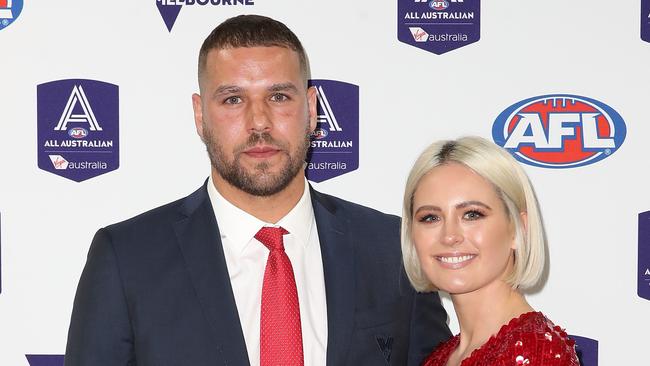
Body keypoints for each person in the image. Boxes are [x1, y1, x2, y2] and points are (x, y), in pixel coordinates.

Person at [64, 14, 451, 366]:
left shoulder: (392, 249)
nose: (259, 122)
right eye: (233, 99)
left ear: (312, 109)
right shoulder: (128, 258)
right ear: (200, 115)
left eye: (278, 96)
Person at [401, 137, 579, 366]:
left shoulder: (536, 352)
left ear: (518, 229)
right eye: (430, 218)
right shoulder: (443, 356)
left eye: (472, 214)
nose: (449, 236)